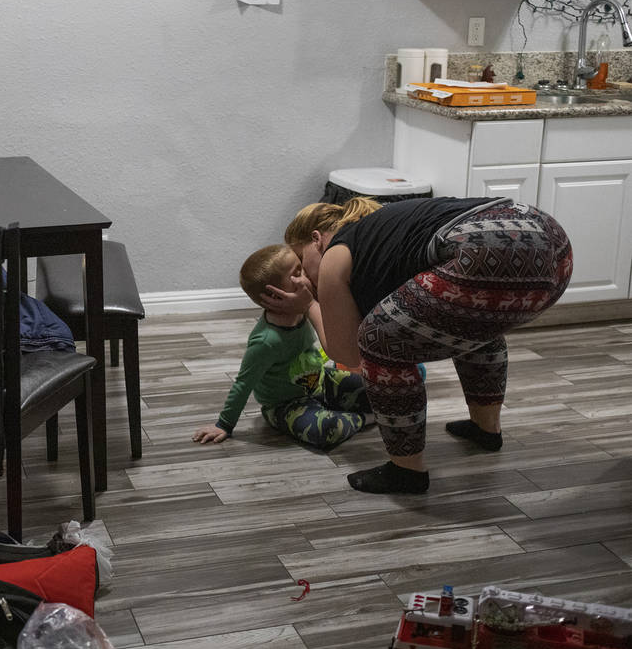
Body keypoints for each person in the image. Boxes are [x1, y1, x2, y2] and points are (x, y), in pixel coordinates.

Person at [267, 196, 572, 494]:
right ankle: (486, 430)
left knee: (378, 340)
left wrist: (308, 304)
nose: (304, 276)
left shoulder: (337, 250)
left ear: (317, 239)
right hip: (554, 245)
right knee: (471, 320)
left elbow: (346, 352)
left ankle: (406, 471)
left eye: (300, 263)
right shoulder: (383, 235)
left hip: (487, 244)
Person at [191, 244, 373, 450]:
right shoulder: (266, 341)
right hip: (287, 405)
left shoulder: (304, 307)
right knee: (326, 429)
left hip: (322, 381)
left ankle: (351, 410)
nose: (306, 274)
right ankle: (365, 418)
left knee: (374, 386)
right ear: (276, 296)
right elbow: (243, 384)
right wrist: (224, 424)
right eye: (298, 273)